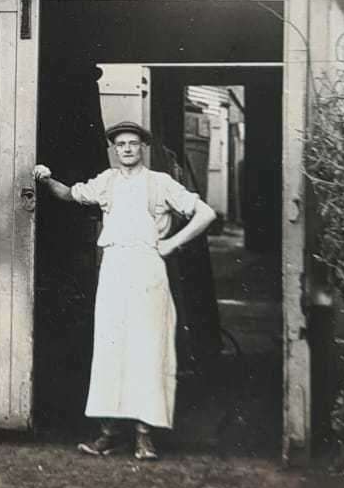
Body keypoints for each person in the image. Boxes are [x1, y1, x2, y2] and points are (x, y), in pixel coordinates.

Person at [33, 120, 217, 461]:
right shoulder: (106, 182)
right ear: (114, 149)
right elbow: (69, 194)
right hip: (114, 269)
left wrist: (172, 243)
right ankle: (109, 433)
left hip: (148, 270)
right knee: (110, 349)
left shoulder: (160, 183)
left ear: (142, 147)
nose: (127, 149)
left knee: (148, 350)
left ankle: (145, 436)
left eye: (133, 143)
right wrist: (43, 178)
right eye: (121, 145)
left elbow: (205, 213)